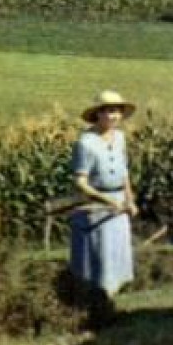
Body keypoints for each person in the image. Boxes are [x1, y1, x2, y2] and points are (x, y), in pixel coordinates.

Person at [68, 89, 138, 326]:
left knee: (117, 257)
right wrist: (106, 201)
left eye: (117, 111)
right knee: (100, 259)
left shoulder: (119, 138)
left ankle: (111, 306)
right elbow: (80, 182)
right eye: (109, 111)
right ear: (98, 114)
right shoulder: (86, 144)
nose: (114, 116)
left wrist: (130, 200)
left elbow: (124, 172)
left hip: (118, 207)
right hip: (97, 208)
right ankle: (97, 311)